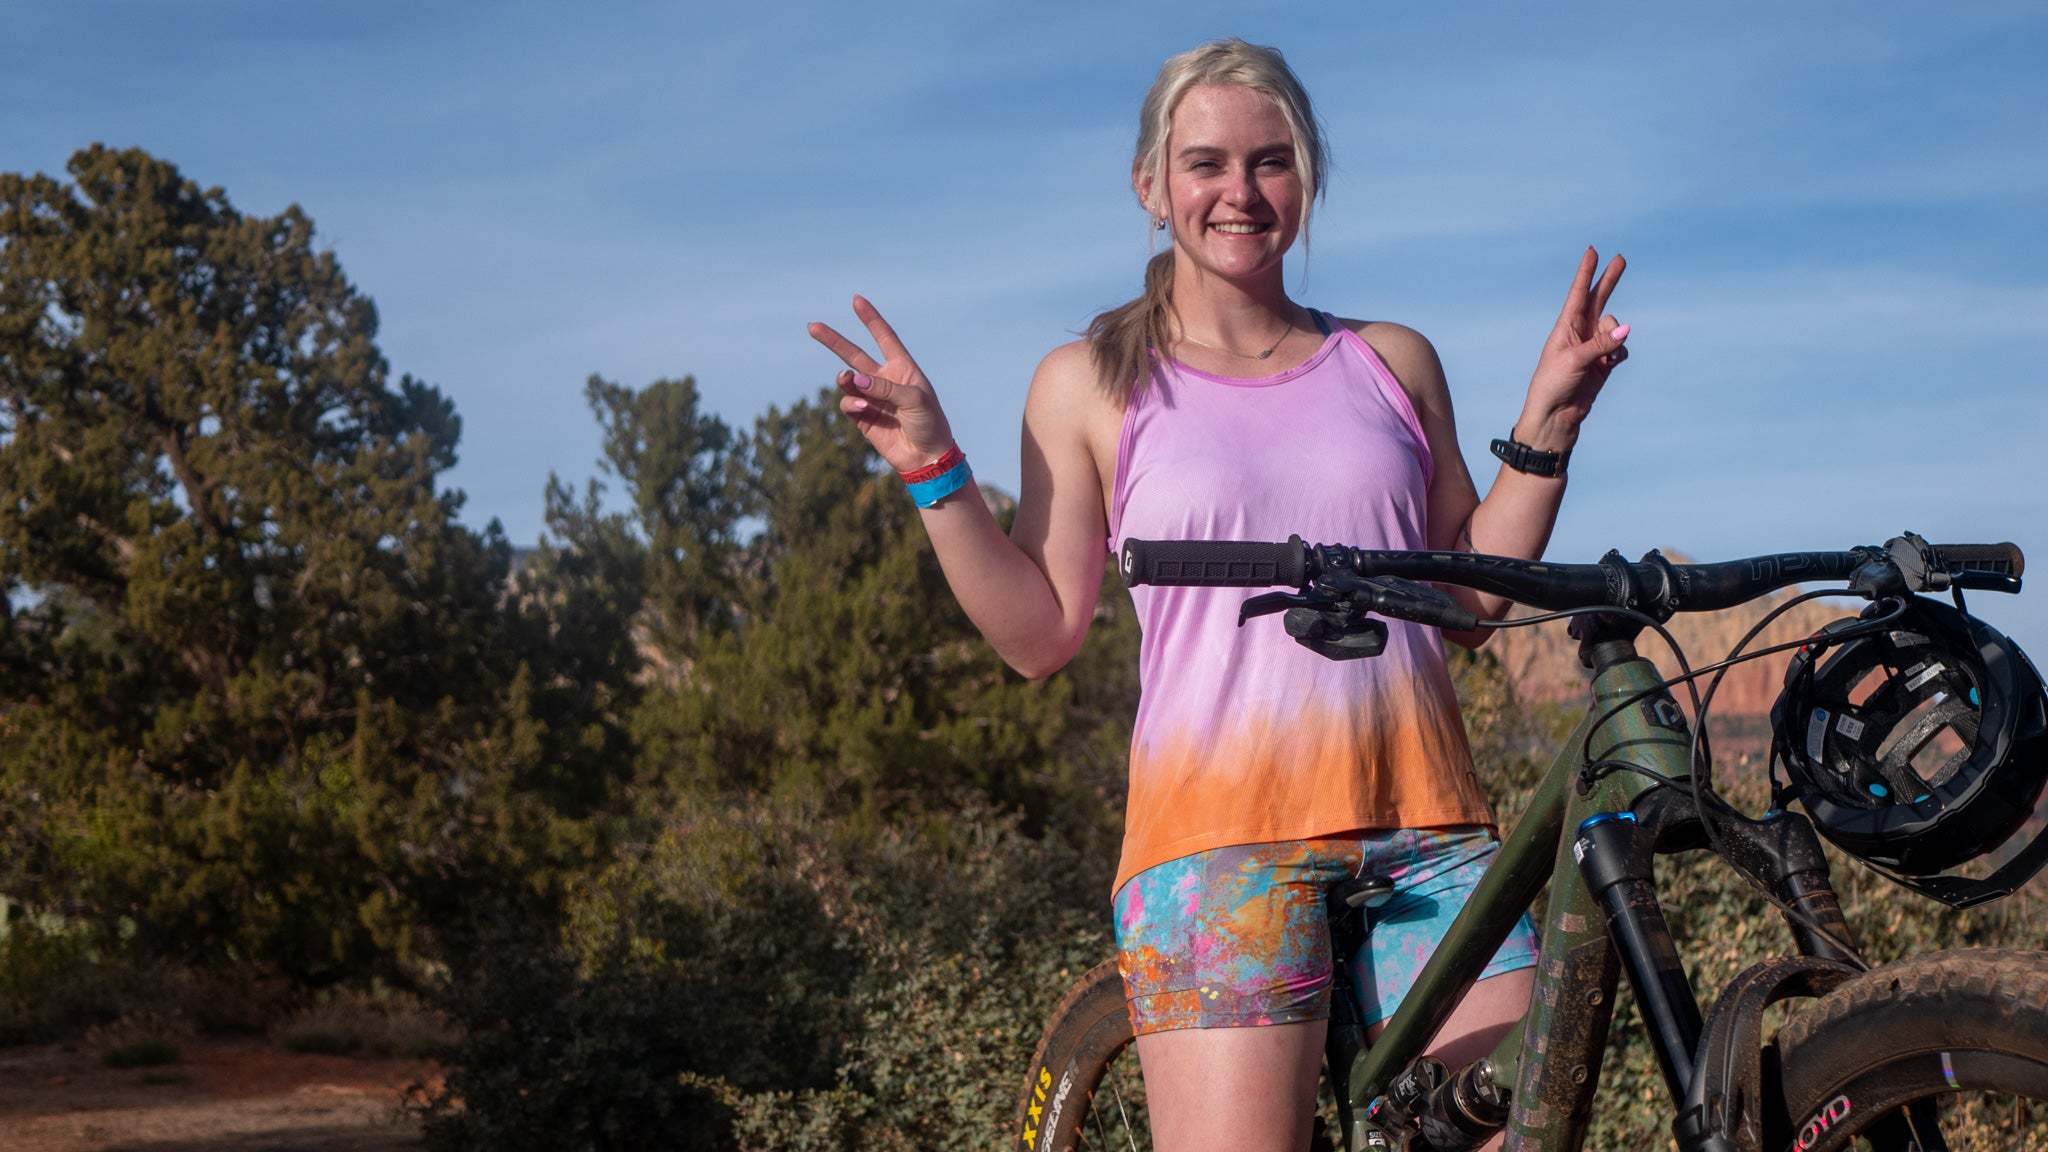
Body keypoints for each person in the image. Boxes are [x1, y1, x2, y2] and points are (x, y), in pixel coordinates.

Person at [808, 37, 1628, 1152]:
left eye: (1270, 161)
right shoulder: (1089, 381)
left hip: (1431, 838)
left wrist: (1549, 423)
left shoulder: (1391, 360)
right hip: (1217, 851)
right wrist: (931, 468)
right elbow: (1038, 635)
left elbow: (1471, 602)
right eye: (1205, 164)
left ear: (1306, 177)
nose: (1239, 192)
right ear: (1151, 186)